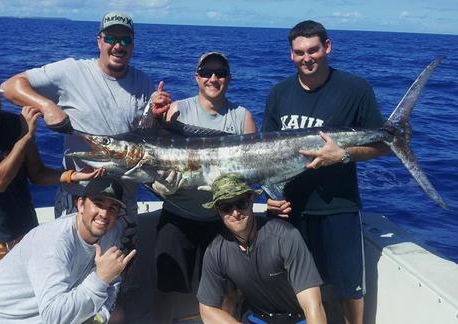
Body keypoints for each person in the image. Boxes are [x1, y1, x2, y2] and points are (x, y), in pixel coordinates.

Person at [1, 11, 171, 250]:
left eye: (125, 40)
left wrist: (156, 116)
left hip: (123, 201)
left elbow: (143, 138)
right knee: (70, 272)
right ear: (99, 41)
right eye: (111, 38)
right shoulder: (71, 71)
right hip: (79, 199)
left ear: (132, 45)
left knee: (118, 272)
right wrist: (47, 106)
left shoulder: (142, 82)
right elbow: (10, 86)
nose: (118, 45)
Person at [262, 20, 389, 324]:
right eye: (299, 52)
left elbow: (382, 145)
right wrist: (268, 197)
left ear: (327, 47)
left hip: (338, 208)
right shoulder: (278, 93)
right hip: (290, 209)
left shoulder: (356, 89)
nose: (307, 58)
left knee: (348, 291)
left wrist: (343, 155)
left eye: (313, 50)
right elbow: (265, 157)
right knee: (294, 289)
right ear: (291, 55)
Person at [0, 68, 100, 289]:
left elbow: (37, 174)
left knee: (29, 299)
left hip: (26, 230)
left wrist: (73, 175)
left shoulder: (16, 123)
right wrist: (26, 136)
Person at [153, 52, 257, 322]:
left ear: (229, 79)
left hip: (223, 220)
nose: (213, 78)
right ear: (196, 77)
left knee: (229, 292)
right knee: (168, 287)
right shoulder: (177, 109)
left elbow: (254, 171)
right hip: (178, 215)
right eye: (207, 72)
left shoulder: (242, 117)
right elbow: (157, 154)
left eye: (220, 72)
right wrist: (152, 117)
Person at [0, 176, 136, 323]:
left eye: (112, 208)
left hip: (38, 316)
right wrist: (100, 279)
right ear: (80, 205)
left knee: (116, 315)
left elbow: (112, 284)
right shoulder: (54, 242)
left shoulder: (111, 232)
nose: (104, 214)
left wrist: (99, 317)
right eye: (98, 203)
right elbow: (54, 317)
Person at [197, 173, 326, 324]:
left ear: (251, 200)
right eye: (226, 207)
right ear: (218, 211)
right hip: (258, 318)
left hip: (299, 318)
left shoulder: (285, 236)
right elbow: (207, 309)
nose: (235, 213)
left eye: (241, 203)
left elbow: (313, 306)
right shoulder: (215, 251)